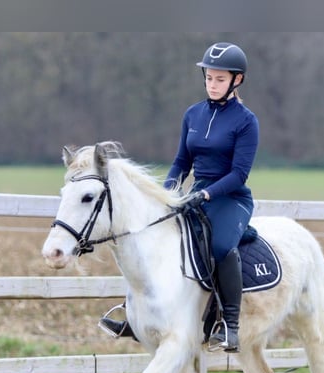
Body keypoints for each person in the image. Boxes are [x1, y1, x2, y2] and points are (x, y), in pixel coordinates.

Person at [101, 41, 259, 353]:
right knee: (155, 237)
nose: (212, 85)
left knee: (221, 246)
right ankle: (137, 316)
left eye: (220, 79)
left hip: (230, 198)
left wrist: (205, 193)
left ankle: (230, 325)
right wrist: (166, 191)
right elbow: (181, 162)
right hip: (195, 194)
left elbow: (239, 174)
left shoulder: (246, 121)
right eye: (209, 78)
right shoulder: (193, 115)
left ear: (236, 80)